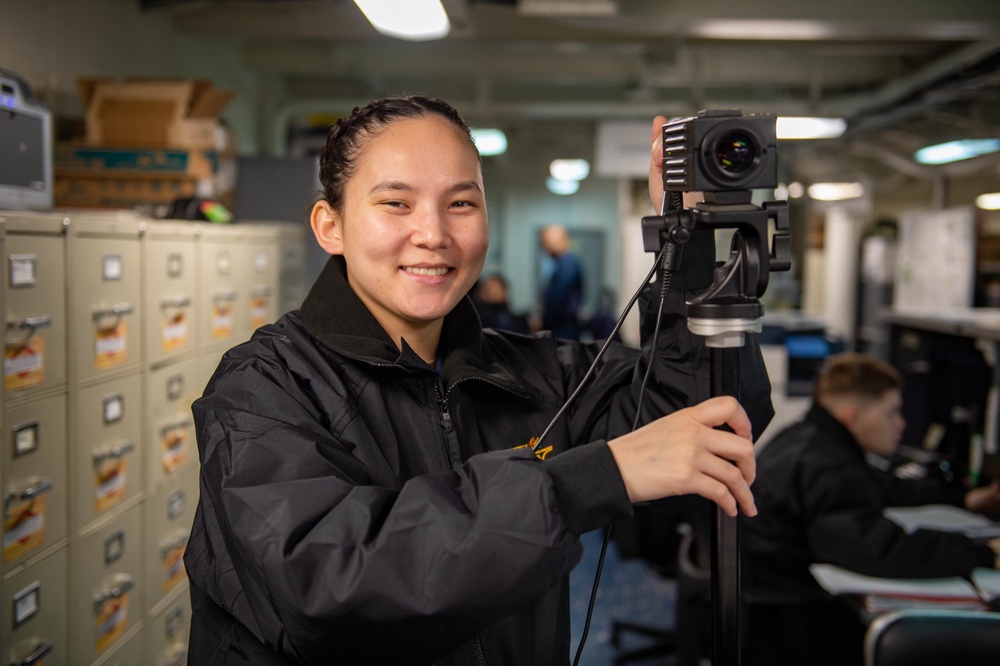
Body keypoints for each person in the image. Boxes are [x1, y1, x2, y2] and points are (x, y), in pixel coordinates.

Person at [183, 97, 774, 665]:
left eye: (461, 204)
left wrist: (689, 240)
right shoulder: (263, 389)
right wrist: (578, 484)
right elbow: (325, 588)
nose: (434, 233)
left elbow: (709, 412)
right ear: (329, 225)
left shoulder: (534, 373)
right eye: (396, 203)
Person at [741, 352, 1000, 666]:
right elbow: (877, 549)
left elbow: (880, 487)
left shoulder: (810, 439)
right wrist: (985, 552)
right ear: (854, 417)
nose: (901, 424)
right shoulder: (825, 463)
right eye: (892, 413)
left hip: (770, 601)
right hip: (790, 620)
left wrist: (966, 499)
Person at [538, 223, 585, 340]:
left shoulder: (567, 266)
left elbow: (558, 299)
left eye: (546, 242)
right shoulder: (563, 264)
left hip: (562, 330)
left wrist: (543, 323)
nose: (544, 246)